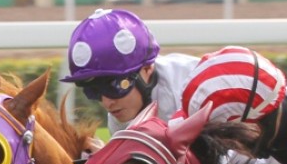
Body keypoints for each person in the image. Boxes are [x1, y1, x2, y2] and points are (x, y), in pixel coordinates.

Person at [61, 8, 200, 135]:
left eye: (114, 86)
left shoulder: (196, 89)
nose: (107, 103)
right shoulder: (120, 120)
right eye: (94, 91)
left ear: (147, 68)